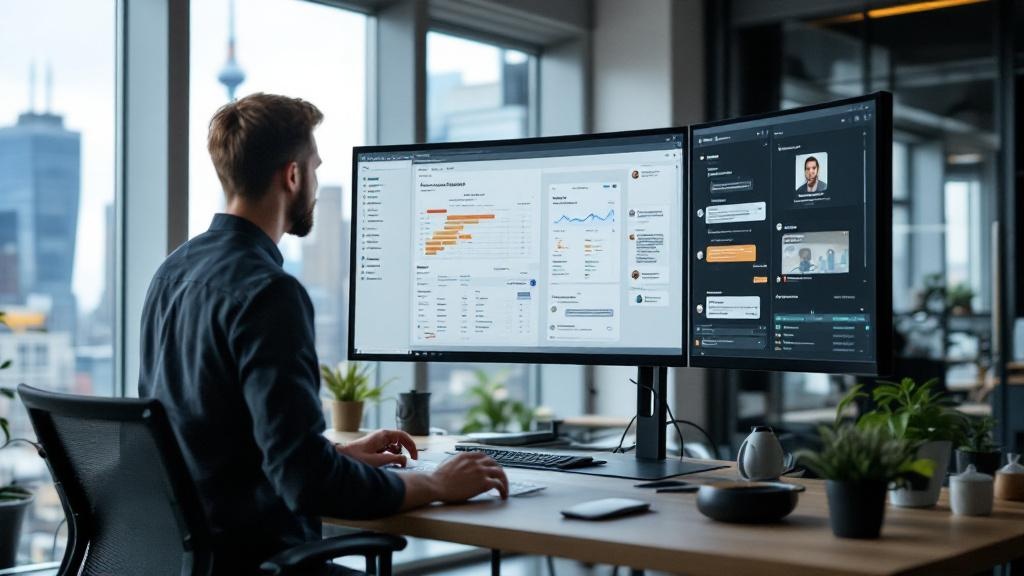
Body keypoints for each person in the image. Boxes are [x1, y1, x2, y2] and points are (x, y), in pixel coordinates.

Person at [138, 93, 508, 573]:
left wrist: (336, 454)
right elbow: (305, 486)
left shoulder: (171, 272)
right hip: (260, 560)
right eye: (314, 167)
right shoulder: (269, 292)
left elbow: (212, 438)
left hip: (187, 559)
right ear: (292, 176)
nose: (315, 181)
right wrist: (435, 484)